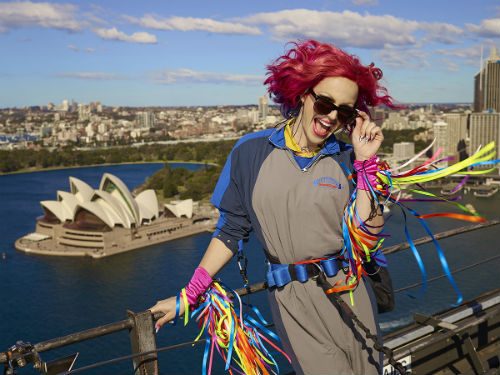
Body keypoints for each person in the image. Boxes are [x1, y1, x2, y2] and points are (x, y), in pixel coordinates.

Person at [150, 39, 397, 375]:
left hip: (352, 291)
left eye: (345, 111)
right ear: (302, 94)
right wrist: (188, 296)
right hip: (294, 300)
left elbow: (365, 237)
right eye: (324, 103)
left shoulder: (347, 157)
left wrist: (366, 164)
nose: (331, 118)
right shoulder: (251, 153)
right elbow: (230, 232)